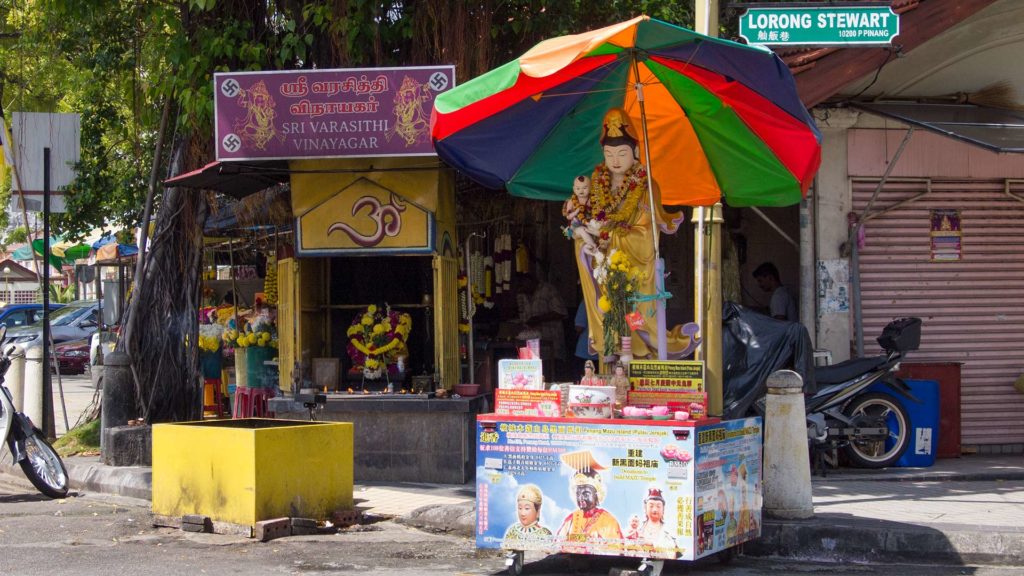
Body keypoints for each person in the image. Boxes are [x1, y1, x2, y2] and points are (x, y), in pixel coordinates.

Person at [573, 108, 694, 361]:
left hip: (635, 266)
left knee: (635, 311)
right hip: (604, 262)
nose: (615, 160)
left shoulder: (646, 186)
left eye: (622, 153)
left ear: (636, 152)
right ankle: (611, 348)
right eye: (609, 154)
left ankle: (640, 351)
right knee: (604, 300)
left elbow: (644, 233)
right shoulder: (597, 184)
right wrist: (586, 236)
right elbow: (587, 218)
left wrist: (609, 234)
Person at [555, 450, 623, 553]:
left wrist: (591, 549)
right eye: (578, 493)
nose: (581, 498)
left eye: (586, 493)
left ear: (597, 494)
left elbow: (617, 549)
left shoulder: (608, 521)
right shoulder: (572, 518)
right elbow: (557, 543)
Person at [515, 271, 567, 363]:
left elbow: (561, 312)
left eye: (522, 284)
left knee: (552, 371)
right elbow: (521, 314)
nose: (521, 288)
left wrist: (538, 319)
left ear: (530, 281)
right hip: (530, 347)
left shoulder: (548, 289)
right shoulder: (522, 294)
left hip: (551, 343)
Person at [627, 486, 680, 559]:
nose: (655, 509)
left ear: (663, 509)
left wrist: (652, 545)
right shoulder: (638, 529)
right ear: (645, 508)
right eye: (651, 506)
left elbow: (672, 555)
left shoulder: (669, 531)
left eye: (658, 506)